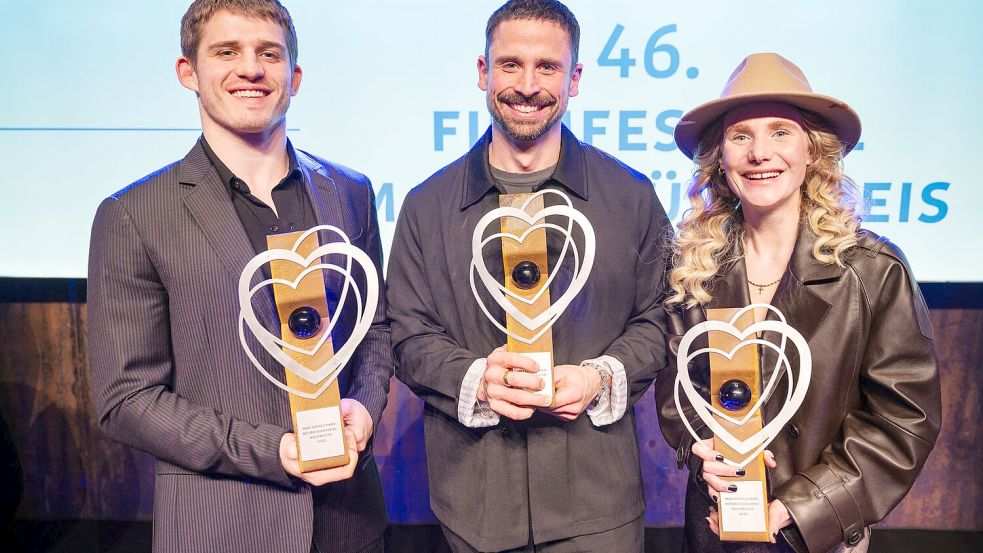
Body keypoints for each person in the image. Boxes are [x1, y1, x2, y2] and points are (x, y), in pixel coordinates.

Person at [87, 1, 392, 552]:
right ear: (188, 72)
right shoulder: (134, 214)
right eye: (226, 52)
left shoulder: (350, 192)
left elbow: (375, 332)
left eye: (268, 54)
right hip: (224, 525)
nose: (250, 68)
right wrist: (271, 449)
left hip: (352, 521)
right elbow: (127, 400)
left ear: (293, 78)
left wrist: (365, 410)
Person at [387, 1, 670, 551]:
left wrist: (600, 377)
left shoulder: (631, 196)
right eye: (510, 65)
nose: (527, 84)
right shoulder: (427, 205)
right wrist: (476, 379)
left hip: (598, 506)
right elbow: (407, 335)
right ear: (482, 73)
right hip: (475, 506)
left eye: (548, 67)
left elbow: (659, 321)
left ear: (575, 79)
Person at [655, 53, 942, 553]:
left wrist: (799, 506)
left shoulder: (873, 270)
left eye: (780, 132)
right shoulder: (692, 268)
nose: (759, 153)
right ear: (720, 159)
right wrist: (701, 446)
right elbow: (677, 393)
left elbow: (903, 421)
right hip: (715, 528)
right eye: (740, 135)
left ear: (814, 152)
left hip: (820, 537)